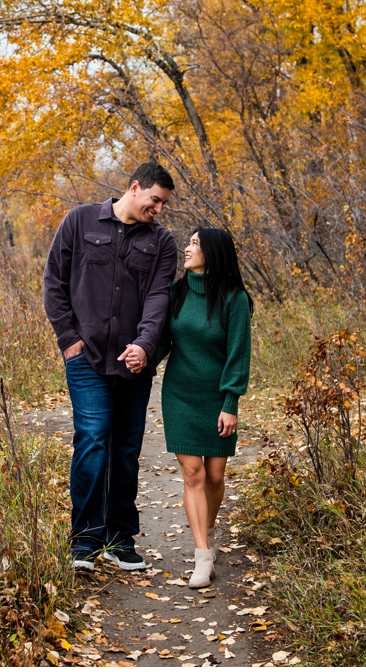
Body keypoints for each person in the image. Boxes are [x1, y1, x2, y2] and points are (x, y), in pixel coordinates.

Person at [43, 161, 180, 572]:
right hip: (86, 359)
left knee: (125, 449)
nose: (158, 209)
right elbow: (54, 282)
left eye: (163, 205)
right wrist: (69, 341)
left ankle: (121, 540)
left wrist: (145, 345)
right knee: (93, 439)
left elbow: (159, 298)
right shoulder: (80, 221)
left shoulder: (162, 242)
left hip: (134, 365)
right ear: (135, 188)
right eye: (154, 200)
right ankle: (85, 541)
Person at [152, 227, 253, 589]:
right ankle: (202, 555)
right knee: (193, 474)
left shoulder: (234, 298)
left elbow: (238, 355)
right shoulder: (175, 293)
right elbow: (162, 341)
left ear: (213, 251)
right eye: (189, 242)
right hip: (180, 394)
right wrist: (141, 359)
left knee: (214, 476)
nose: (187, 247)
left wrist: (230, 403)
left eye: (194, 243)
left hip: (216, 398)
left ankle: (208, 530)